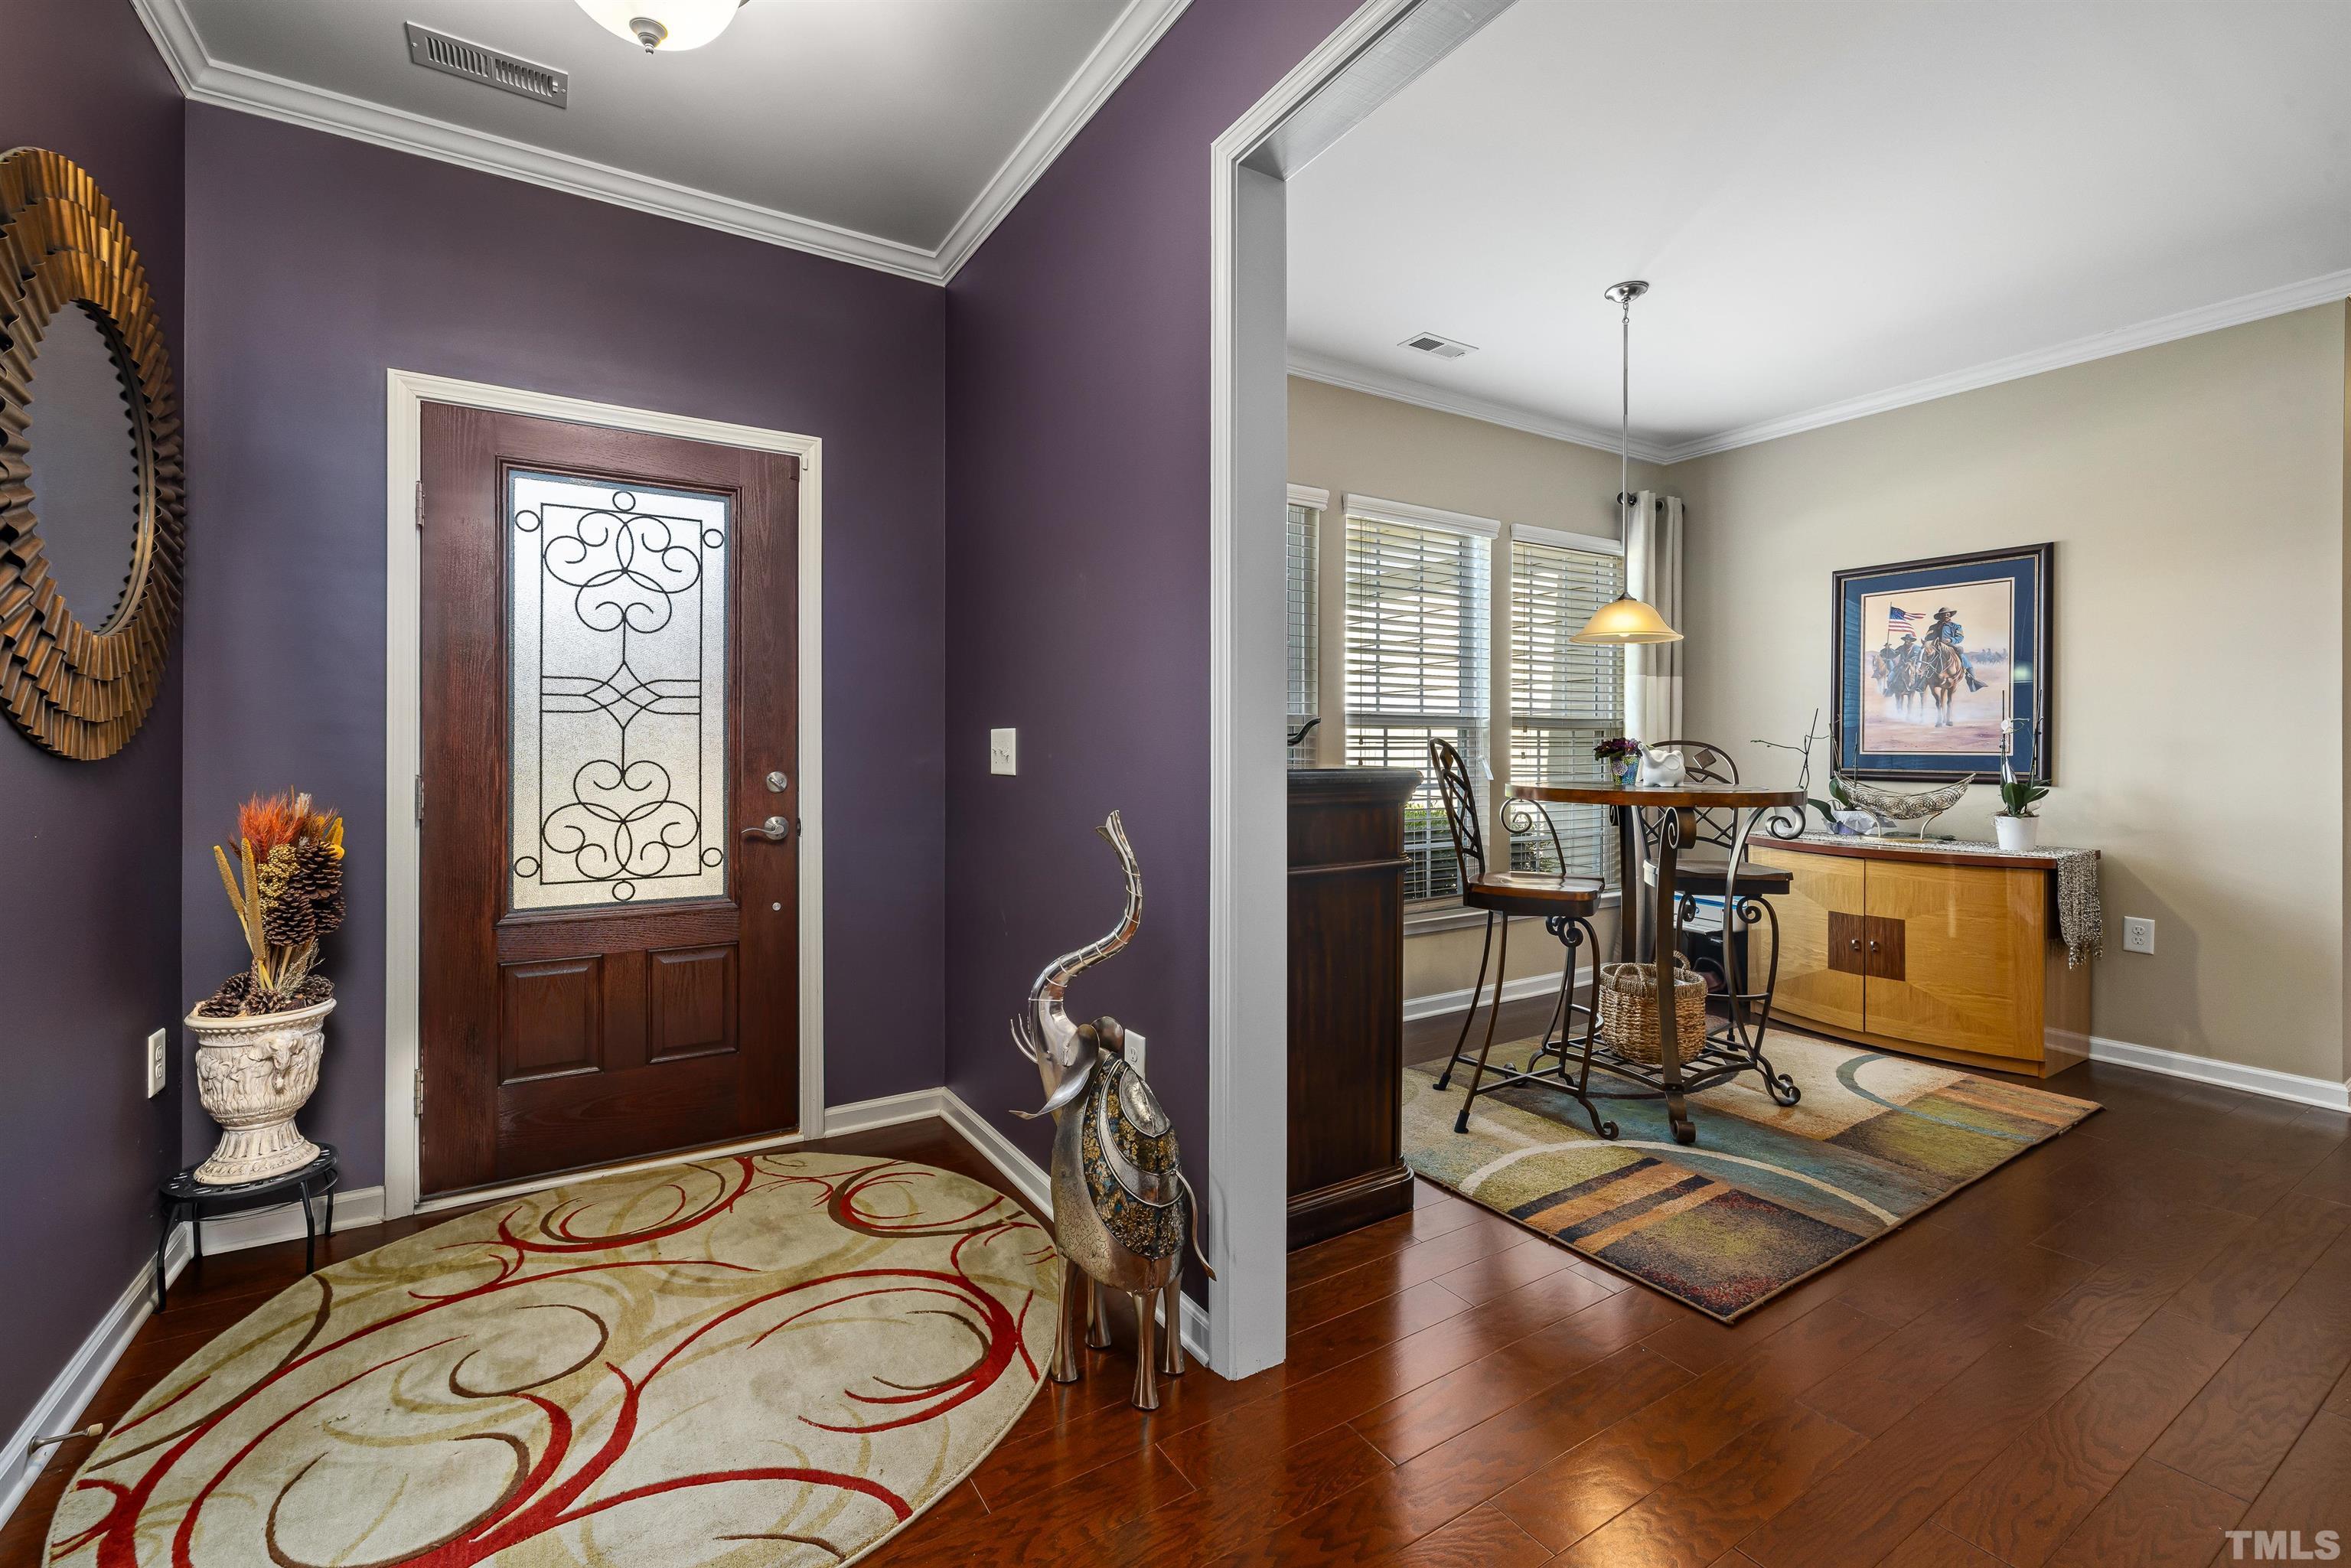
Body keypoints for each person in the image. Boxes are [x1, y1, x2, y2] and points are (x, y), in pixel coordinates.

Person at [1925, 608, 1985, 692]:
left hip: (1950, 646)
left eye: (1947, 614)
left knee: (1962, 656)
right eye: (1944, 614)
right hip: (1936, 646)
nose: (1946, 615)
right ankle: (1921, 682)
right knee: (1923, 658)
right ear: (1940, 616)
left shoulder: (1956, 626)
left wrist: (1951, 640)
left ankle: (1972, 679)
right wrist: (1932, 642)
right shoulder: (1933, 627)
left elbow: (1960, 637)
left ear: (1950, 615)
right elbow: (1928, 637)